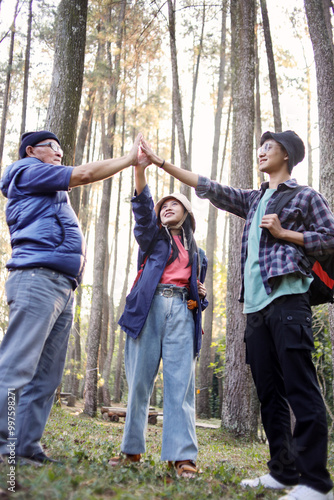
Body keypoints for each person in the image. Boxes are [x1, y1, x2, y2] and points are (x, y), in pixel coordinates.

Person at [140, 131, 334, 500]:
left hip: (289, 300)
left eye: (269, 148)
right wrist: (162, 163)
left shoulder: (305, 196)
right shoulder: (254, 198)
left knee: (300, 387)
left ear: (287, 156)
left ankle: (316, 484)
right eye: (259, 147)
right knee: (270, 393)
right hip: (255, 308)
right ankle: (283, 471)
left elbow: (330, 238)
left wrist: (285, 233)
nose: (260, 152)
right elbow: (210, 187)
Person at [0, 130, 142, 465]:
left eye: (62, 150)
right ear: (32, 151)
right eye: (54, 149)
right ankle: (3, 443)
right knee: (17, 366)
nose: (60, 154)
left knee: (47, 375)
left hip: (62, 286)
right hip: (36, 278)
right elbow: (85, 174)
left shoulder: (46, 189)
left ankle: (25, 445)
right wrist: (128, 158)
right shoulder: (27, 170)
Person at [109, 155, 208, 477]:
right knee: (139, 383)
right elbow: (141, 211)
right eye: (162, 205)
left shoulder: (198, 254)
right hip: (147, 311)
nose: (166, 206)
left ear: (187, 213)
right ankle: (131, 451)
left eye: (174, 204)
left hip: (182, 311)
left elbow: (198, 296)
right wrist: (140, 170)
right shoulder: (152, 238)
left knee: (180, 385)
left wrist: (200, 298)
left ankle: (182, 457)